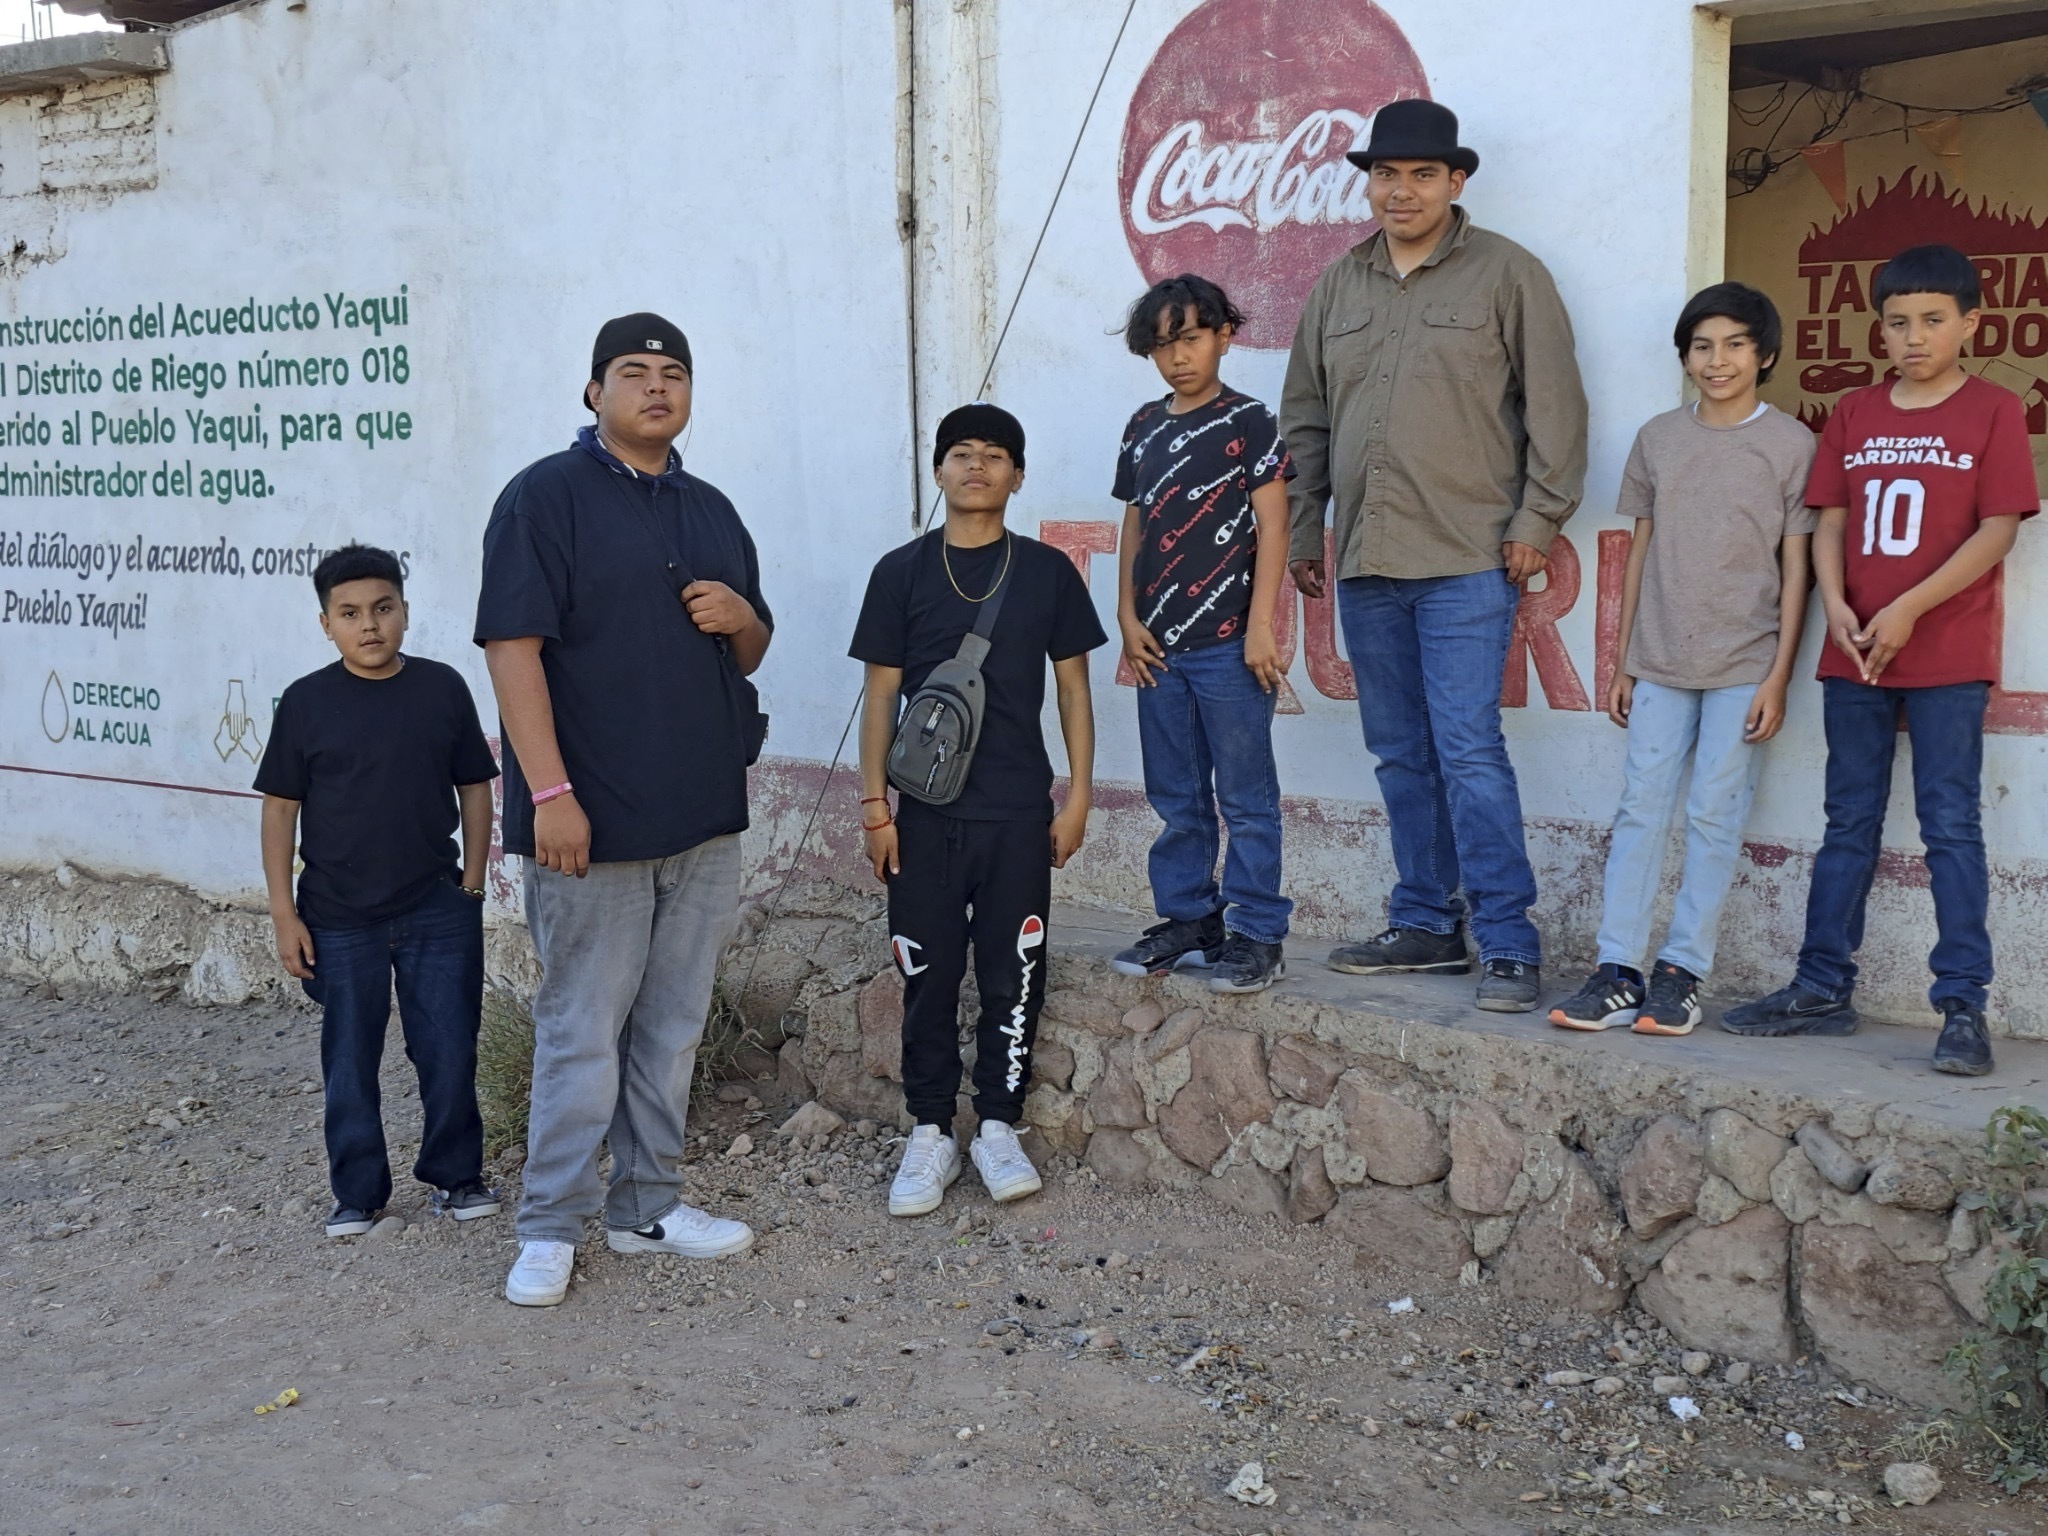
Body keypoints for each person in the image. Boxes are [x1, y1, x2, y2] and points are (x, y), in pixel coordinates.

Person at [477, 313, 773, 1307]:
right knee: (579, 1029)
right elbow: (512, 651)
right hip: (587, 826)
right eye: (634, 372)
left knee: (673, 1025)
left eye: (673, 373)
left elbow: (751, 650)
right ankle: (550, 1225)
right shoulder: (543, 500)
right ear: (592, 391)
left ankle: (647, 1204)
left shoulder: (710, 509)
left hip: (700, 818)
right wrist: (550, 796)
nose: (656, 388)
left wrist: (743, 619)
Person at [1280, 98, 1587, 1013]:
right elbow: (1306, 420)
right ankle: (1424, 923)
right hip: (1369, 560)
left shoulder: (1508, 275)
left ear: (1457, 182)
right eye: (1384, 174)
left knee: (1467, 749)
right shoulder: (1339, 286)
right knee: (1399, 753)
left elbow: (1557, 411)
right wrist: (1305, 529)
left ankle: (1505, 940)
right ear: (1367, 184)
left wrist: (1538, 518)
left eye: (1420, 174)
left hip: (1465, 559)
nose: (1400, 190)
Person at [1722, 246, 2039, 1075]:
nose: (1913, 336)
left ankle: (1963, 1004)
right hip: (1853, 651)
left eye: (1933, 321)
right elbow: (1827, 520)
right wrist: (1838, 602)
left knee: (1950, 826)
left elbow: (1998, 528)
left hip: (1947, 650)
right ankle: (1822, 986)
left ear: (1972, 323)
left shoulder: (1994, 410)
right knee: (1847, 822)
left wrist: (1909, 607)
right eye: (1898, 322)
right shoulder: (1855, 411)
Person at [851, 403, 1107, 1218]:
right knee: (925, 975)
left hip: (1017, 815)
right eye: (961, 454)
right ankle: (930, 1131)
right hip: (922, 818)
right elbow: (881, 693)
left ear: (1018, 475)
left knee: (1014, 974)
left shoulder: (1046, 573)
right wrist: (873, 808)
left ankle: (998, 1124)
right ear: (937, 471)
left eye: (995, 456)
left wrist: (1077, 798)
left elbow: (1073, 687)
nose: (976, 468)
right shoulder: (901, 572)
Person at [1549, 284, 1814, 1036]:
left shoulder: (1791, 445)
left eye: (1734, 344)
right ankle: (1617, 969)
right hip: (1660, 660)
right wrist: (1623, 660)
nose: (1717, 360)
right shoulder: (1659, 438)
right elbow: (1640, 552)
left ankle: (1681, 972)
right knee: (1639, 810)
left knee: (1713, 816)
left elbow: (1798, 571)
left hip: (1743, 666)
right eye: (1702, 346)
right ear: (1685, 357)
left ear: (1764, 354)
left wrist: (1777, 676)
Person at [255, 542, 501, 1238]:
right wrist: (283, 914)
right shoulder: (306, 703)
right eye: (351, 613)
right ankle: (358, 1195)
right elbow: (280, 809)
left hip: (436, 908)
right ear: (326, 623)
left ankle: (457, 1178)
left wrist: (472, 885)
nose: (371, 625)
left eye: (383, 609)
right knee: (349, 1058)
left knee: (450, 1047)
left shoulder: (441, 687)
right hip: (337, 917)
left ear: (405, 612)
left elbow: (474, 787)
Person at [1109, 273, 1294, 994]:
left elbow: (1273, 525)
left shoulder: (1249, 422)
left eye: (1190, 337)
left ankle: (1257, 933)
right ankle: (1191, 918)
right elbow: (1135, 521)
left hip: (1227, 645)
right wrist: (1127, 616)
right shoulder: (1142, 426)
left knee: (1247, 796)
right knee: (1176, 794)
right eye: (1163, 345)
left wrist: (1259, 629)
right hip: (1159, 646)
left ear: (1224, 335)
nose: (1178, 357)